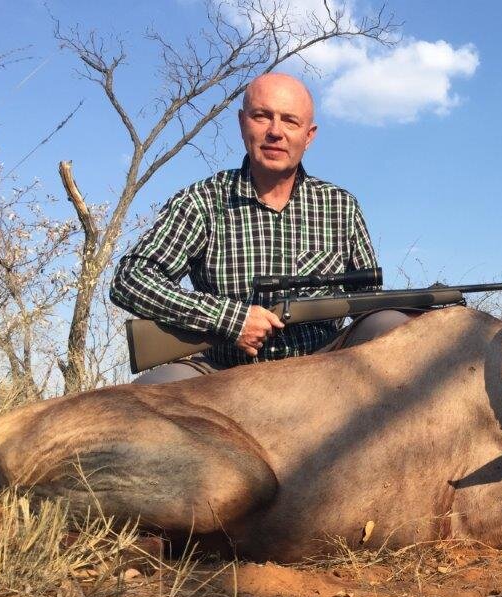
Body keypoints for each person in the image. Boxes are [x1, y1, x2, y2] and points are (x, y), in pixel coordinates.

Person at [111, 72, 410, 384]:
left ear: (309, 135)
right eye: (262, 116)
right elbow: (130, 280)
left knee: (392, 323)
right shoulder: (202, 200)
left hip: (326, 364)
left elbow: (368, 302)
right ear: (242, 123)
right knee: (153, 391)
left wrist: (427, 316)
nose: (275, 132)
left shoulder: (341, 205)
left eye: (290, 121)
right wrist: (231, 319)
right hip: (223, 371)